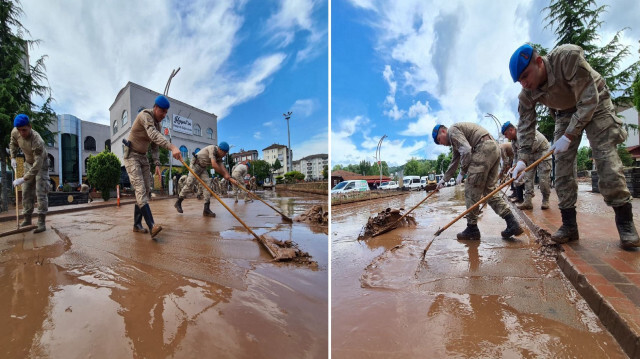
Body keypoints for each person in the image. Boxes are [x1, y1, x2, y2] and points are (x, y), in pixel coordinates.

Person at [509, 43, 638, 249]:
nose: (524, 83)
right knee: (561, 169)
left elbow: (589, 99)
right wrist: (522, 160)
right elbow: (525, 127)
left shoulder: (567, 58)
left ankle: (625, 223)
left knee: (605, 160)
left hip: (596, 103)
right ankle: (569, 225)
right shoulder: (526, 95)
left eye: (525, 75)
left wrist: (570, 135)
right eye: (519, 81)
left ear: (539, 62)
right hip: (565, 113)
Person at [432, 123, 524, 240]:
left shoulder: (452, 131)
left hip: (483, 149)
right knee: (489, 192)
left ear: (443, 132)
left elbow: (466, 151)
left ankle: (472, 228)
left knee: (470, 189)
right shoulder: (455, 141)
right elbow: (455, 160)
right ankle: (512, 223)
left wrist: (463, 171)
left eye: (439, 140)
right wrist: (444, 180)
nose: (442, 144)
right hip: (494, 149)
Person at [123, 95, 182, 237]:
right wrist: (172, 146)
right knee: (140, 189)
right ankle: (151, 226)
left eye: (166, 112)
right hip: (131, 156)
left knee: (147, 190)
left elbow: (154, 146)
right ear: (155, 108)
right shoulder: (145, 115)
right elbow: (153, 135)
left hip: (143, 157)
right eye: (162, 111)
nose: (164, 115)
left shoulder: (158, 125)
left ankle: (137, 225)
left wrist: (157, 163)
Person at [10, 114, 50, 233]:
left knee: (40, 191)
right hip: (28, 162)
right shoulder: (15, 131)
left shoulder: (37, 141)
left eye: (24, 130)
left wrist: (23, 178)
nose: (22, 133)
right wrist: (13, 157)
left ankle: (41, 222)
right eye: (19, 130)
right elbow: (13, 143)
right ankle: (27, 219)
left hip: (41, 164)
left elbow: (37, 164)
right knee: (26, 190)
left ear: (30, 127)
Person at [174, 142, 236, 216]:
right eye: (224, 152)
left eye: (226, 153)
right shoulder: (212, 149)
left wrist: (230, 178)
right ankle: (178, 201)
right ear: (219, 149)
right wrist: (224, 175)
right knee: (190, 184)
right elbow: (214, 165)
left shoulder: (219, 157)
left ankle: (206, 209)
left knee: (208, 185)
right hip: (195, 165)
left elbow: (223, 168)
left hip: (203, 168)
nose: (224, 154)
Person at [501, 121, 551, 210]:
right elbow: (516, 155)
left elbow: (533, 143)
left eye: (506, 134)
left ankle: (545, 200)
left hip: (542, 151)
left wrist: (523, 162)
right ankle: (527, 201)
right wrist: (514, 167)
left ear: (511, 130)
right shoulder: (513, 141)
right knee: (527, 178)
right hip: (529, 156)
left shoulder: (524, 131)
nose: (505, 137)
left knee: (543, 179)